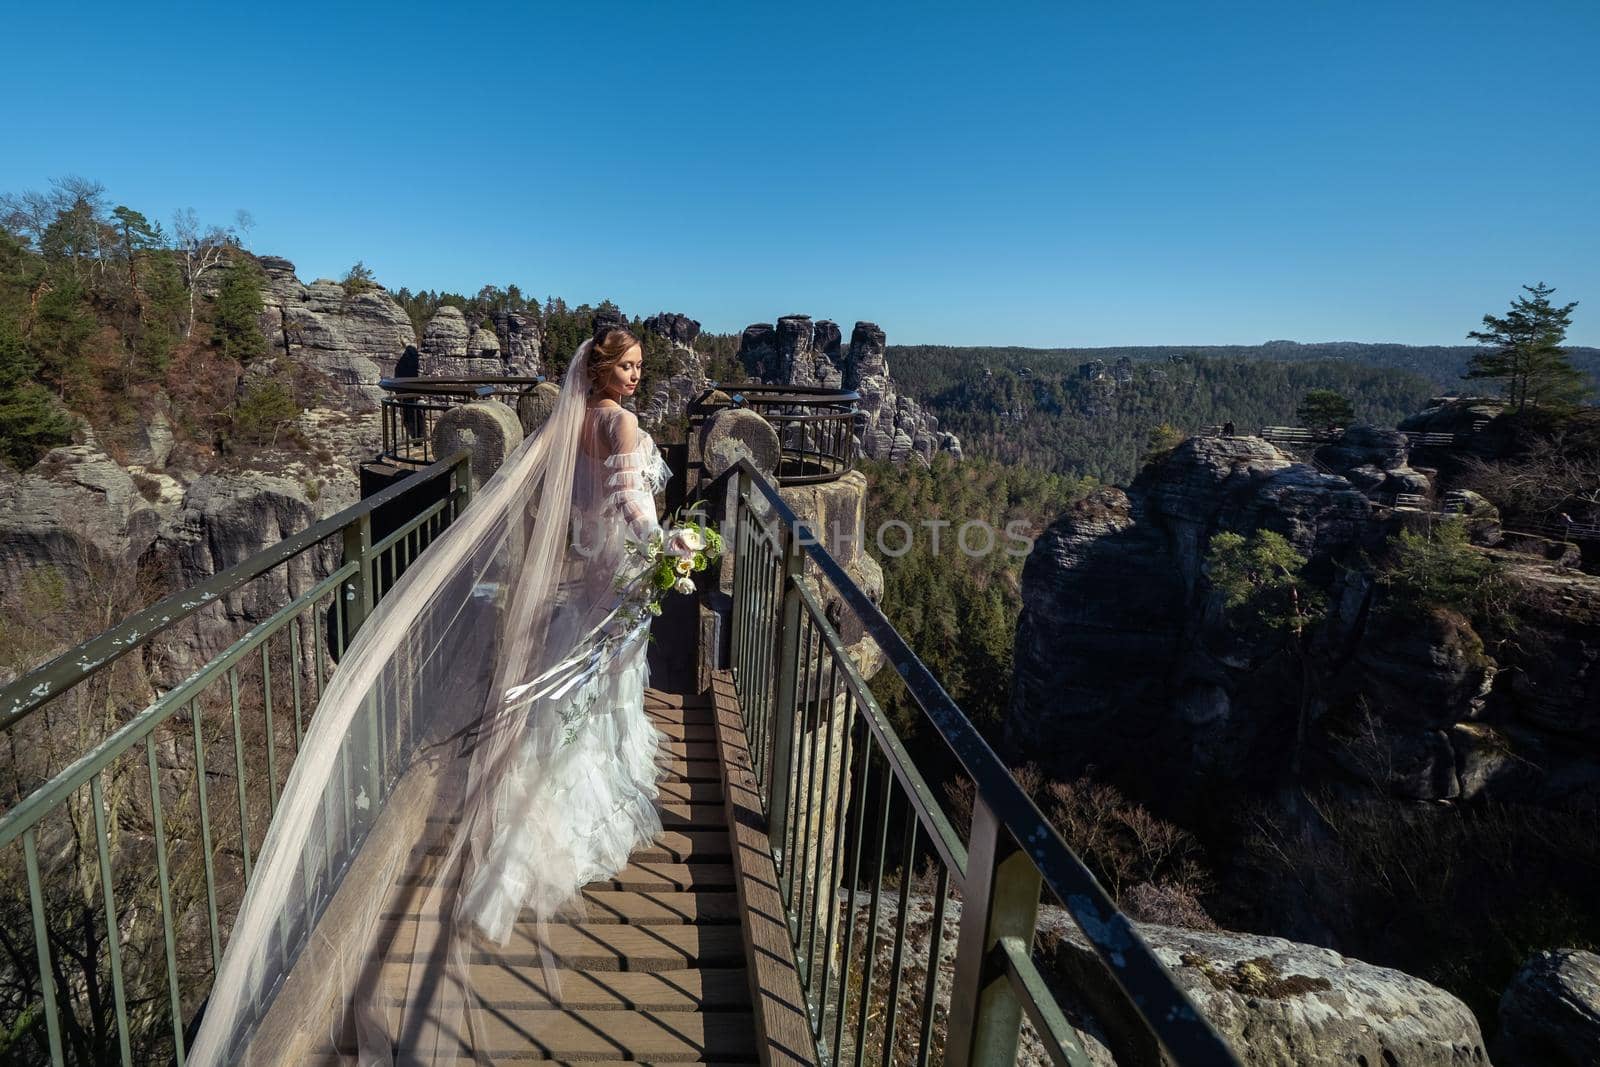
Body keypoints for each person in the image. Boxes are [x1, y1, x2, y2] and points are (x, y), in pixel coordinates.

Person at [188, 322, 683, 1065]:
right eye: (629, 365)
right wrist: (672, 550)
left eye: (642, 366)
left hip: (581, 573)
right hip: (615, 576)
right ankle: (572, 814)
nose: (637, 376)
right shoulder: (619, 422)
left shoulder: (568, 421)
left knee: (567, 699)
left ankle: (528, 816)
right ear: (604, 369)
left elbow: (555, 506)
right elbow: (633, 509)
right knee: (598, 700)